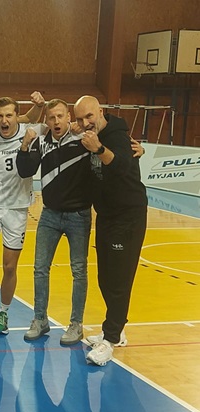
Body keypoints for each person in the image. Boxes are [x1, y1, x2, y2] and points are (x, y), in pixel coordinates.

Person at [74, 95, 147, 366]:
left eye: (89, 116)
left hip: (128, 217)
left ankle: (110, 338)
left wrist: (99, 148)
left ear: (101, 111)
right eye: (80, 119)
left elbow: (123, 167)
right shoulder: (90, 136)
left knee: (119, 280)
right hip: (106, 216)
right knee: (105, 277)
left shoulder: (116, 136)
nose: (85, 123)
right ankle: (118, 330)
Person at [16, 99, 92, 345]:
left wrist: (138, 150)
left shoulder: (84, 138)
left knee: (78, 270)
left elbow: (108, 137)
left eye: (60, 116)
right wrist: (25, 145)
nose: (56, 121)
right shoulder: (42, 141)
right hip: (49, 214)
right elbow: (25, 171)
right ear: (46, 120)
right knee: (40, 268)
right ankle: (40, 319)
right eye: (52, 117)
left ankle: (76, 324)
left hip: (79, 215)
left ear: (69, 116)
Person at [0, 95, 46, 343]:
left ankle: (3, 313)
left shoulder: (30, 132)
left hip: (17, 208)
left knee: (10, 267)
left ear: (17, 117)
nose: (4, 120)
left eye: (9, 115)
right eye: (0, 116)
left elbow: (52, 124)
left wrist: (39, 106)